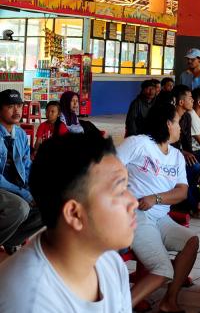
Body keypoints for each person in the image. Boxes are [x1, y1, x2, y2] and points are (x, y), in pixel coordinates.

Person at [0, 134, 135, 311]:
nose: (134, 201)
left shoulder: (112, 264)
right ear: (74, 214)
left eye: (128, 187)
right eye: (119, 191)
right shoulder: (27, 302)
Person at [117, 103, 199, 312]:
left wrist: (156, 198)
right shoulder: (139, 143)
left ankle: (169, 300)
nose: (181, 128)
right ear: (167, 124)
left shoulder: (176, 155)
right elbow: (109, 167)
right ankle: (118, 308)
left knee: (191, 242)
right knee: (162, 269)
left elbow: (182, 191)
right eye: (178, 122)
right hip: (136, 216)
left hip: (160, 217)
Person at [0, 90, 42, 257]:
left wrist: (35, 188)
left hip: (15, 188)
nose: (17, 111)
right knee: (19, 207)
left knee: (50, 203)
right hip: (3, 188)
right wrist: (24, 193)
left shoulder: (21, 135)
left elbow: (27, 166)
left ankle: (11, 240)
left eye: (19, 105)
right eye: (10, 106)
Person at [169, 85, 200, 215]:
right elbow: (165, 142)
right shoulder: (169, 117)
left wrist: (189, 154)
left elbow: (187, 141)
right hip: (168, 154)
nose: (193, 100)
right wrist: (183, 153)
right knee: (193, 168)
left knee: (195, 165)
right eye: (190, 98)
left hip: (180, 153)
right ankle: (192, 202)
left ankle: (190, 201)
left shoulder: (187, 117)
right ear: (181, 102)